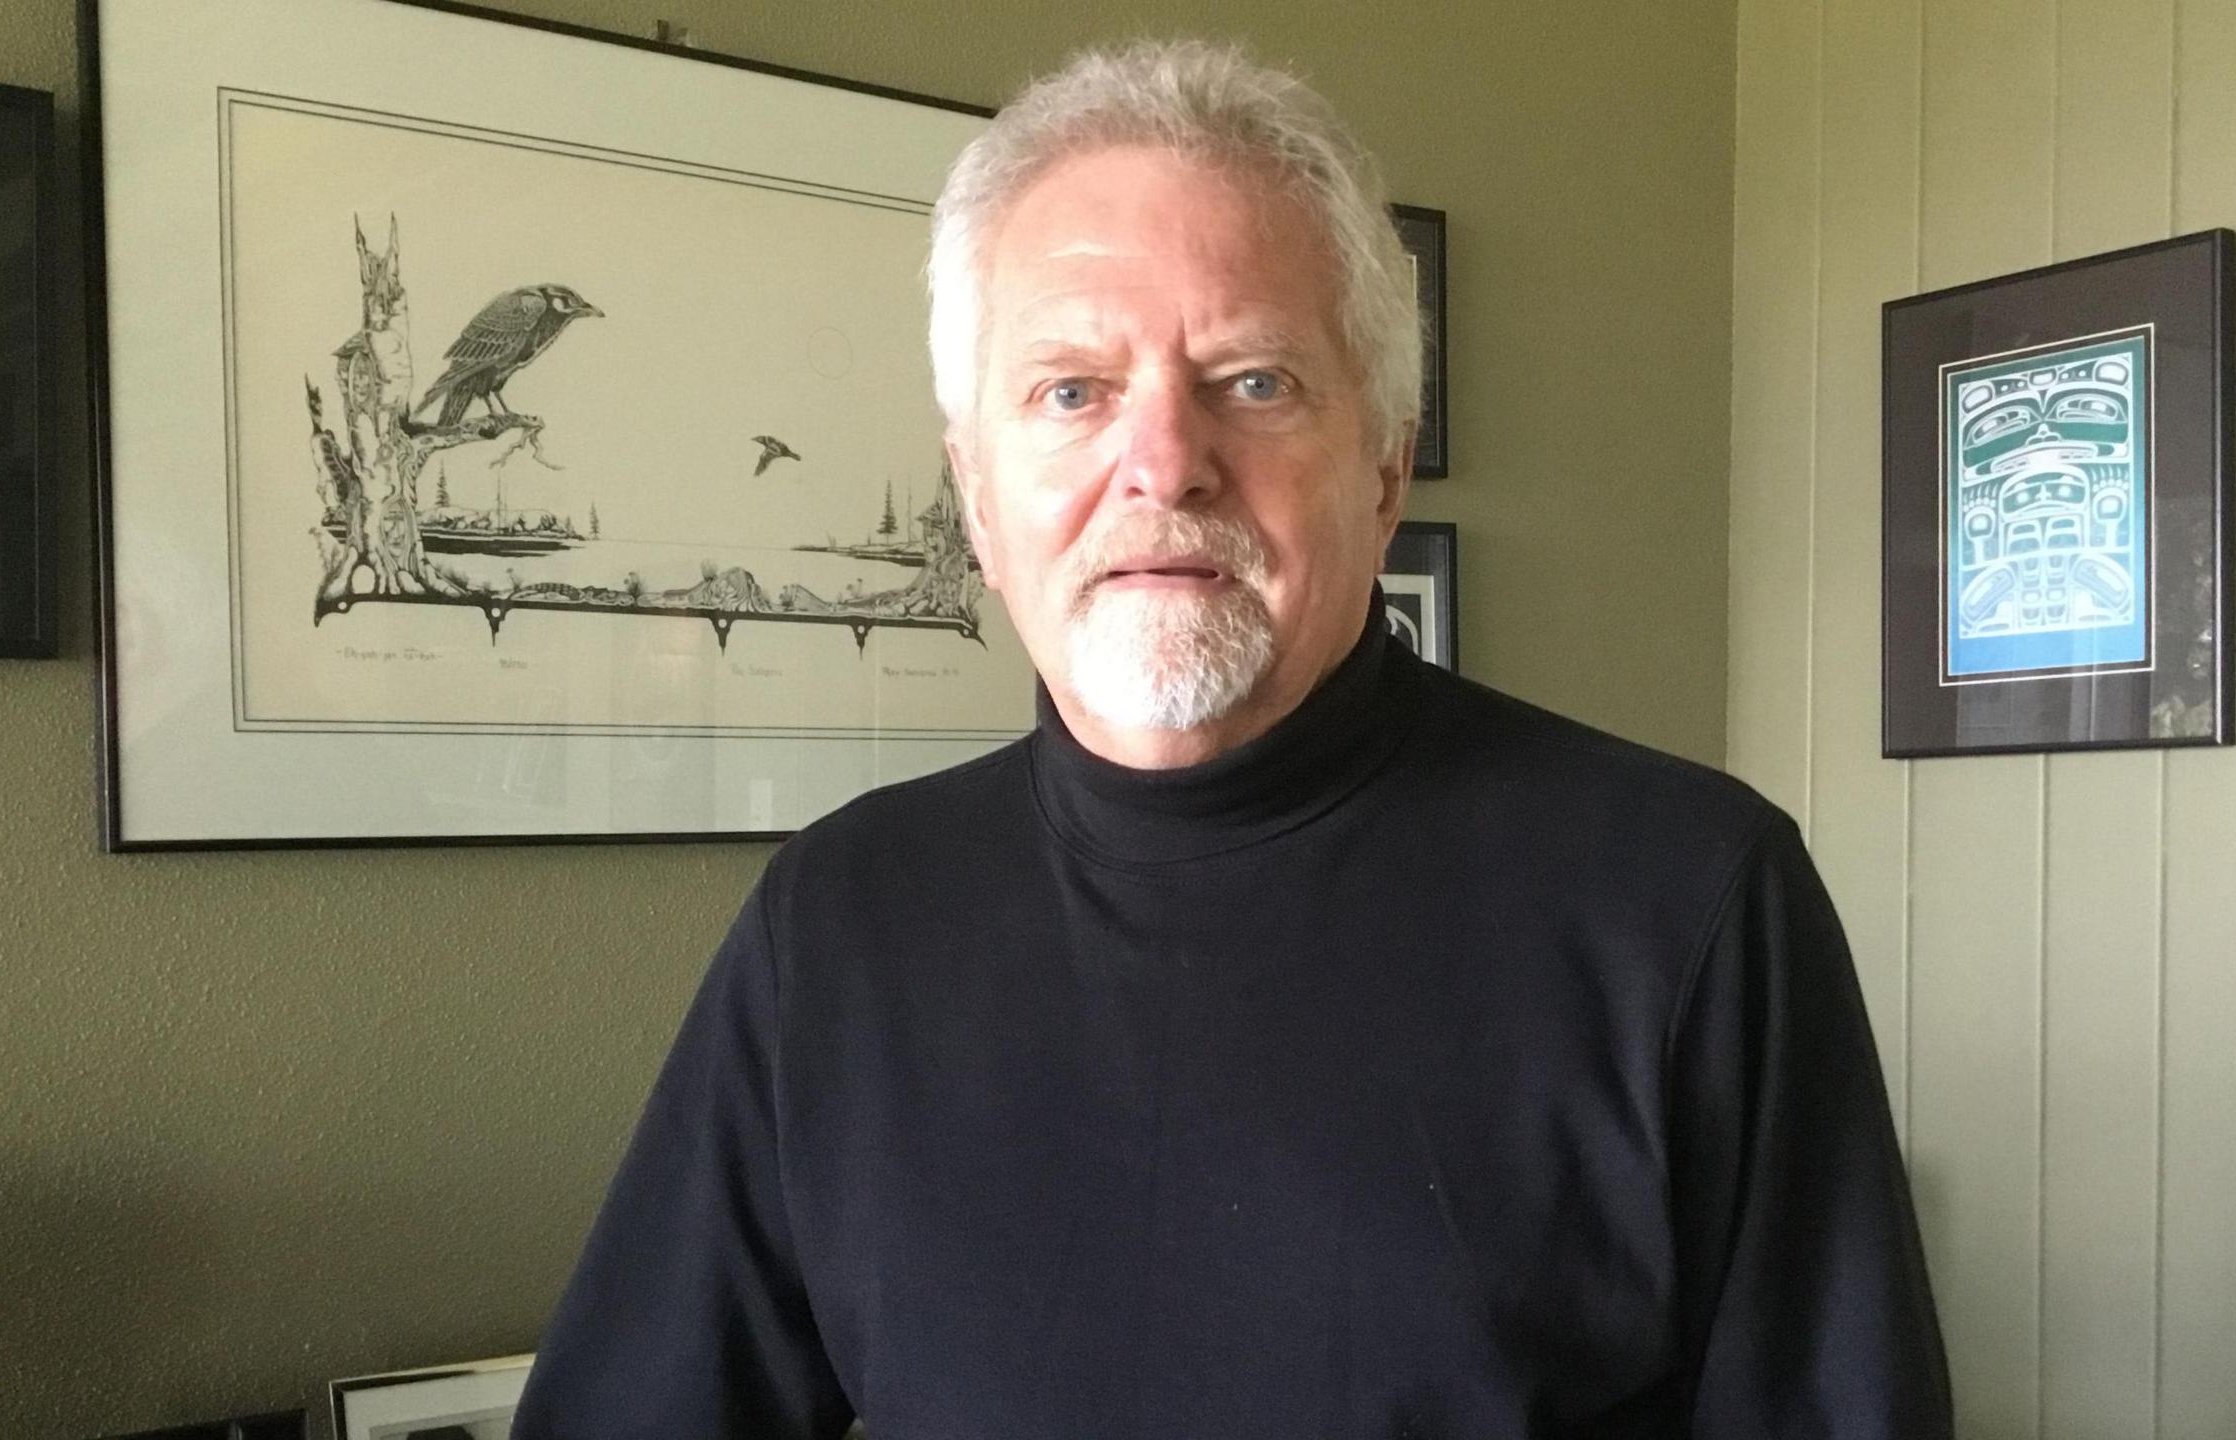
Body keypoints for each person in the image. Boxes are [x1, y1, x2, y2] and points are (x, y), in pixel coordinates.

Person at [513, 39, 1950, 1440]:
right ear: (974, 499)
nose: (1163, 463)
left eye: (1254, 381)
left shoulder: (1688, 902)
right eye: (1072, 391)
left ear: (1384, 467)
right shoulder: (835, 927)